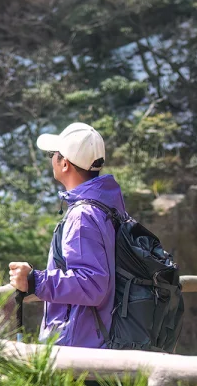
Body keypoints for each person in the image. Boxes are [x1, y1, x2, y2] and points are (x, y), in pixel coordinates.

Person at [8, 120, 126, 348]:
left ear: (64, 164)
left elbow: (92, 284)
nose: (51, 158)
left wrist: (35, 280)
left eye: (54, 154)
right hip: (103, 339)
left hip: (82, 349)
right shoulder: (109, 205)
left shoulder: (83, 215)